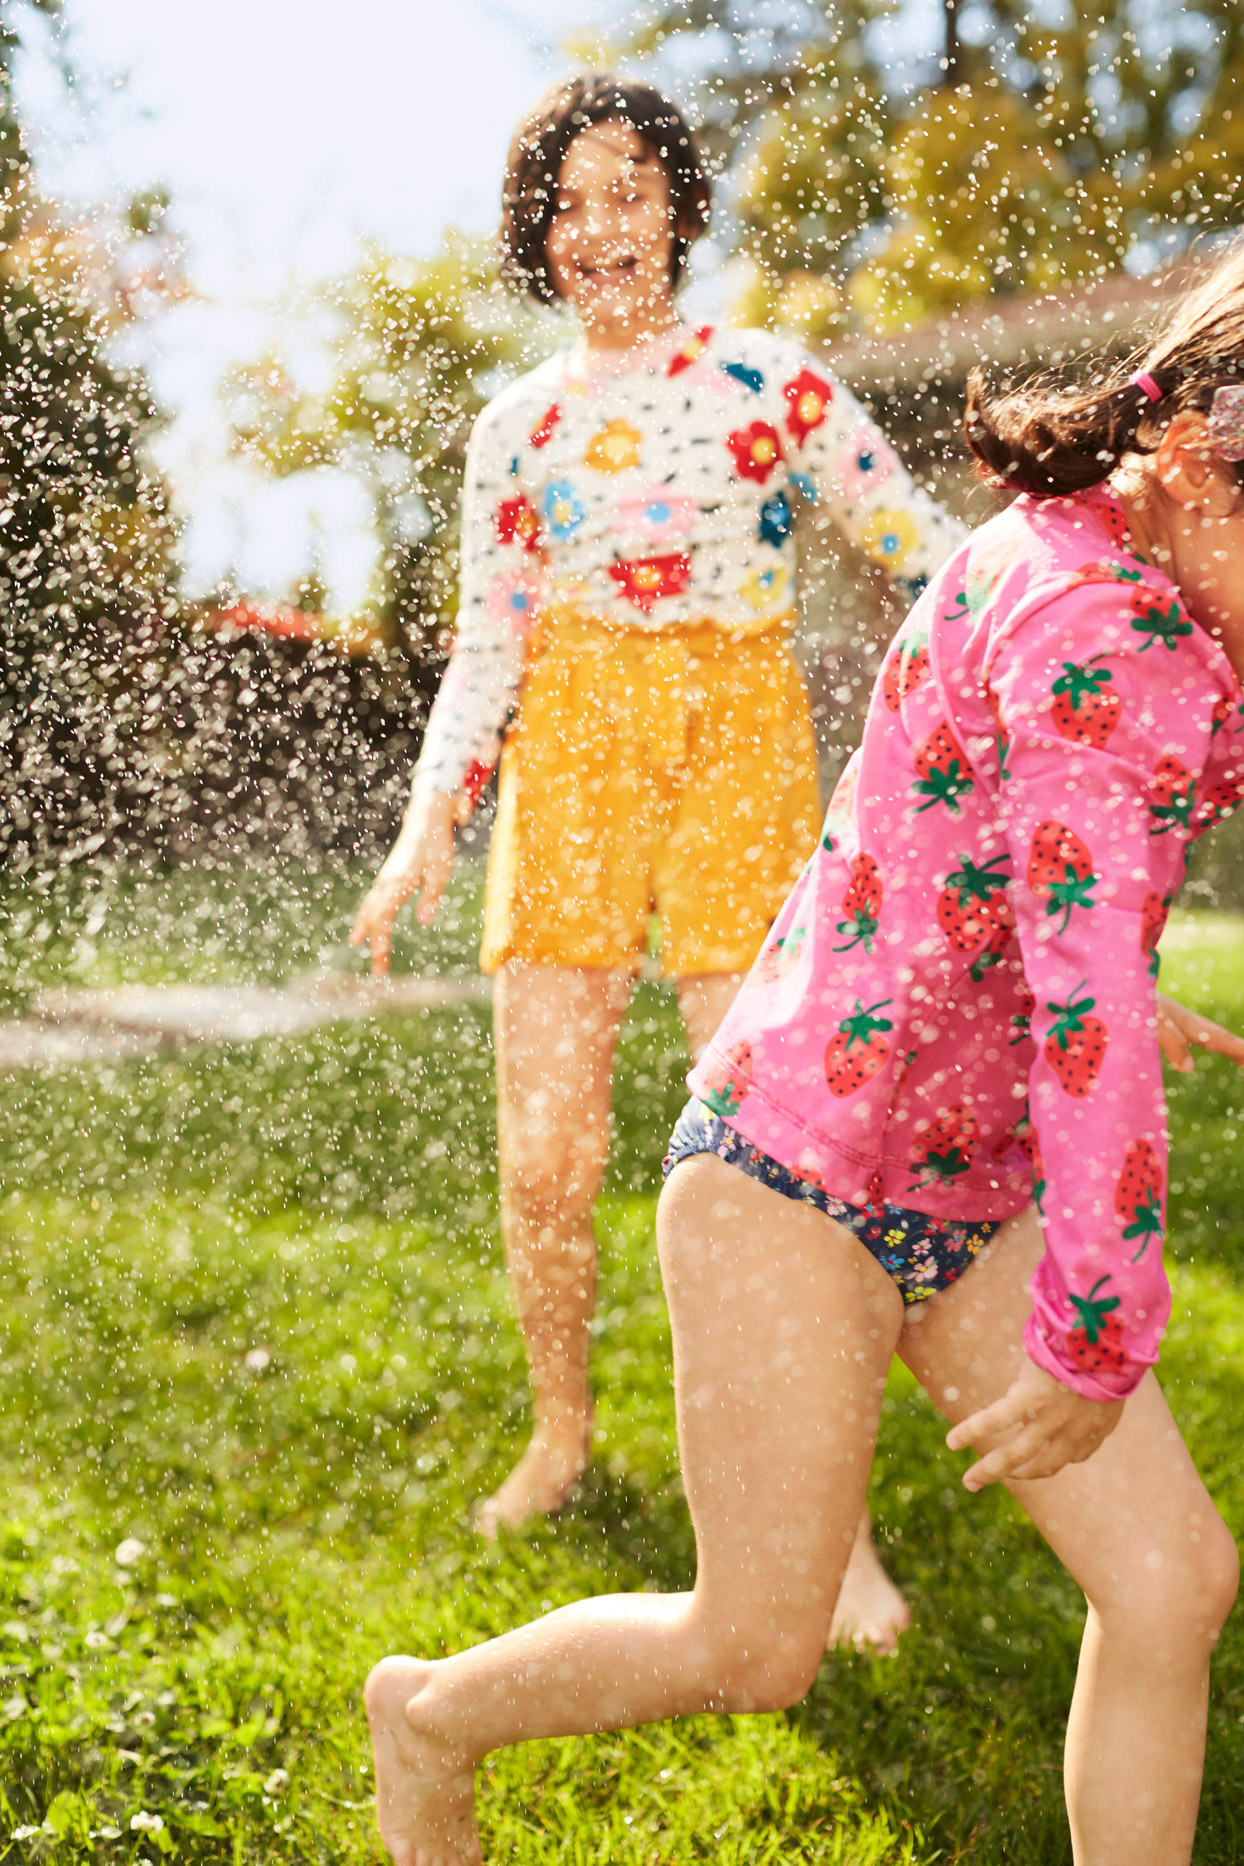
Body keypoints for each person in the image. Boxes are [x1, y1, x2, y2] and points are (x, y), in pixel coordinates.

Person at [365, 244, 1244, 1866]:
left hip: (960, 1183)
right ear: (1198, 459)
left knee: (1172, 1579)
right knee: (753, 1646)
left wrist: (1099, 959)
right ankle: (424, 1712)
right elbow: (1086, 1016)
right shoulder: (1097, 619)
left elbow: (1036, 878)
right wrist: (1102, 1321)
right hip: (797, 1174)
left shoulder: (1129, 559)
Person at [351, 74, 966, 1648]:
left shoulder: (775, 381)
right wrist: (432, 820)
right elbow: (489, 648)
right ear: (539, 242)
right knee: (546, 1155)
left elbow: (936, 563)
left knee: (775, 1172)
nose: (600, 226)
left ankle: (832, 1533)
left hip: (741, 741)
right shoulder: (515, 430)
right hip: (573, 754)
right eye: (569, 202)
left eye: (630, 191)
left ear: (679, 211)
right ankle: (562, 1430)